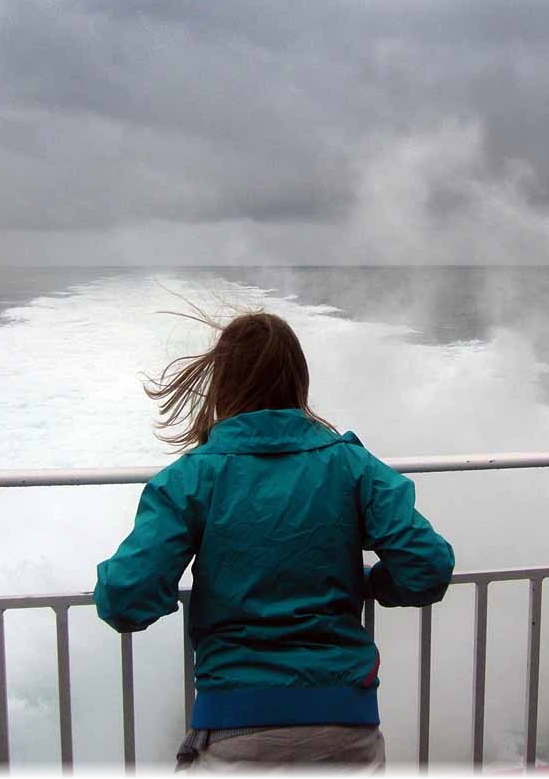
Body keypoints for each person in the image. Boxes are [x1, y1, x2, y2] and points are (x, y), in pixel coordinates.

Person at [94, 310, 455, 771]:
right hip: (347, 725)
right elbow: (427, 568)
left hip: (236, 725)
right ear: (298, 381)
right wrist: (374, 584)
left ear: (222, 384)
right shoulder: (352, 466)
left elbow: (125, 597)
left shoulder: (191, 478)